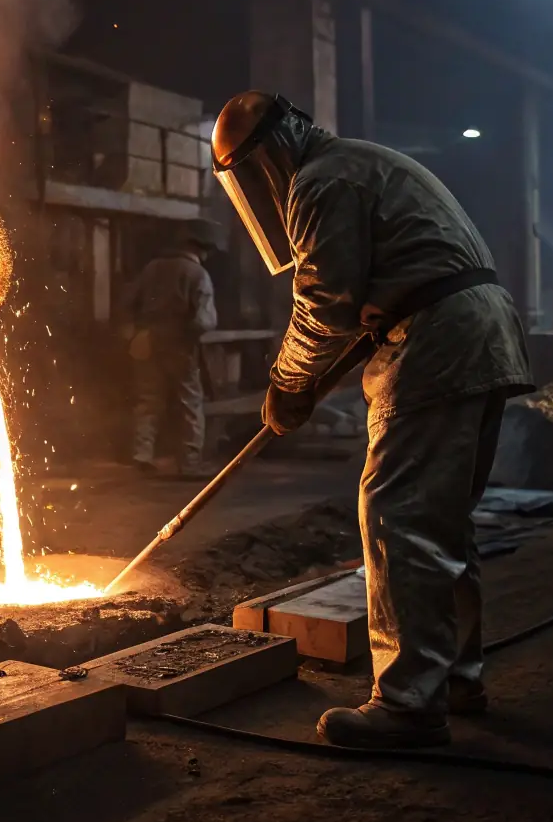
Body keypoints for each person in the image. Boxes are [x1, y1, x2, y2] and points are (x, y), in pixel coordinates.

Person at [211, 91, 533, 748]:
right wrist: (313, 377)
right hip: (477, 327)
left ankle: (409, 703)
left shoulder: (320, 180)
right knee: (438, 520)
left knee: (398, 516)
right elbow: (364, 302)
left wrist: (287, 382)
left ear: (266, 157)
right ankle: (452, 679)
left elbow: (325, 301)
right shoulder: (362, 163)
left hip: (439, 337)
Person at [127, 219, 221, 478]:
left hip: (146, 340)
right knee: (189, 402)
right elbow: (205, 320)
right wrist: (185, 332)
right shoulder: (197, 274)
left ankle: (141, 456)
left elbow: (129, 302)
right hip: (179, 343)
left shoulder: (151, 268)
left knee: (148, 401)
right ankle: (190, 462)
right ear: (203, 248)